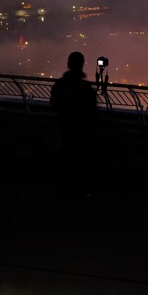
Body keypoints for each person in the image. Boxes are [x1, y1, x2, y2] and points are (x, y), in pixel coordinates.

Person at [49, 51, 97, 198]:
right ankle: (82, 190)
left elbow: (54, 103)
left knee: (67, 159)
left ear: (68, 64)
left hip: (66, 126)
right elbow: (92, 109)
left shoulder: (60, 85)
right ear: (82, 65)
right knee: (84, 160)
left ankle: (65, 189)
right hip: (83, 129)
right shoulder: (86, 88)